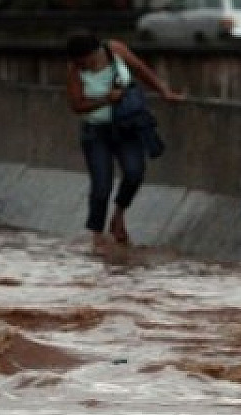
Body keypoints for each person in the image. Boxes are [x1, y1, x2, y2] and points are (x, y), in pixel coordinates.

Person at [65, 30, 184, 252]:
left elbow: (141, 70)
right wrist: (104, 100)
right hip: (96, 132)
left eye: (86, 62)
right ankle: (97, 236)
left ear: (94, 53)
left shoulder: (115, 50)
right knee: (101, 185)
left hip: (127, 126)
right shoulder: (75, 71)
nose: (85, 66)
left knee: (134, 173)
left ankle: (118, 216)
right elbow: (76, 105)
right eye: (80, 63)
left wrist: (164, 91)